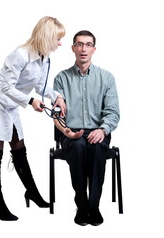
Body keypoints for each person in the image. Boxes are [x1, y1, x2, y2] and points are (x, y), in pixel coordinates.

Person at [0, 16, 67, 221]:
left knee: (19, 149)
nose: (60, 43)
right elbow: (6, 87)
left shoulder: (45, 57)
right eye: (57, 38)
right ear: (47, 36)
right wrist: (31, 102)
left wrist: (58, 97)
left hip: (12, 104)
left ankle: (32, 193)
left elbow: (41, 87)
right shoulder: (20, 54)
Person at [53, 30, 120, 226]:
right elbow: (56, 113)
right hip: (70, 132)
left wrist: (103, 130)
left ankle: (94, 206)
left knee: (98, 147)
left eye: (88, 44)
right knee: (79, 146)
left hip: (98, 131)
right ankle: (81, 206)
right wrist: (67, 131)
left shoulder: (106, 78)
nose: (83, 49)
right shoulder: (61, 78)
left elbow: (113, 112)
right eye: (79, 44)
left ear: (94, 49)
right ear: (73, 48)